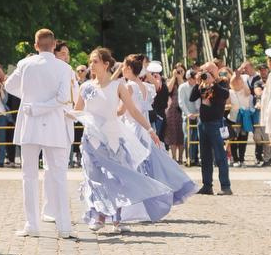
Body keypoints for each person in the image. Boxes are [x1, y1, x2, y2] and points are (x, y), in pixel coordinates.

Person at [76, 48, 176, 232]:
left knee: (117, 178)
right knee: (93, 178)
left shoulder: (118, 86)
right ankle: (98, 216)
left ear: (106, 64)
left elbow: (134, 110)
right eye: (90, 62)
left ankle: (117, 218)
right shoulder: (85, 87)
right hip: (91, 138)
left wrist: (149, 129)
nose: (91, 65)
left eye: (95, 61)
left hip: (113, 137)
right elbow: (77, 111)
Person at [4, 29, 77, 239]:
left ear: (35, 46)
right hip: (54, 125)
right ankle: (64, 226)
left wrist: (32, 102)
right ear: (54, 46)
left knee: (29, 176)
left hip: (30, 123)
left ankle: (32, 224)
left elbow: (9, 86)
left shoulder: (24, 64)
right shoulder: (64, 67)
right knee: (59, 175)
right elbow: (64, 98)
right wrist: (40, 105)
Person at [121, 53, 198, 208]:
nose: (121, 69)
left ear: (129, 68)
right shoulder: (146, 87)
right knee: (150, 164)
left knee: (134, 165)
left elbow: (122, 111)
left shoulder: (129, 86)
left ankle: (139, 201)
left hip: (133, 127)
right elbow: (156, 87)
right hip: (145, 127)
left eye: (123, 66)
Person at [193, 63, 233, 195]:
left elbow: (225, 94)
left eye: (210, 70)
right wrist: (197, 82)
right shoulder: (202, 84)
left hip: (215, 123)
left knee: (220, 156)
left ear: (215, 70)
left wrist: (213, 82)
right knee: (205, 156)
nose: (207, 73)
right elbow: (192, 97)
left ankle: (225, 186)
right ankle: (207, 185)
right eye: (205, 70)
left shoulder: (222, 81)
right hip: (203, 123)